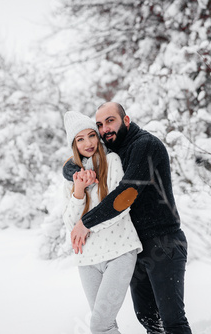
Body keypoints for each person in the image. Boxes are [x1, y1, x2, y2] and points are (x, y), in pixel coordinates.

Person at [63, 102, 192, 334]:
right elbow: (71, 161)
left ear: (126, 120)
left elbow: (125, 196)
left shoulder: (145, 145)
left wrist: (85, 222)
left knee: (172, 320)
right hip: (136, 246)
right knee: (148, 319)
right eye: (100, 125)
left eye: (110, 121)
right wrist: (77, 174)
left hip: (162, 242)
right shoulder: (114, 147)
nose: (105, 129)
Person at [62, 110, 142, 334]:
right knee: (107, 327)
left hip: (119, 251)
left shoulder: (112, 161)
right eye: (80, 139)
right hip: (87, 259)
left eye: (91, 135)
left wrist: (84, 225)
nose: (88, 142)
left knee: (99, 324)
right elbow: (70, 222)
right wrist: (79, 190)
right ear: (74, 144)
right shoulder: (72, 177)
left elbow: (118, 207)